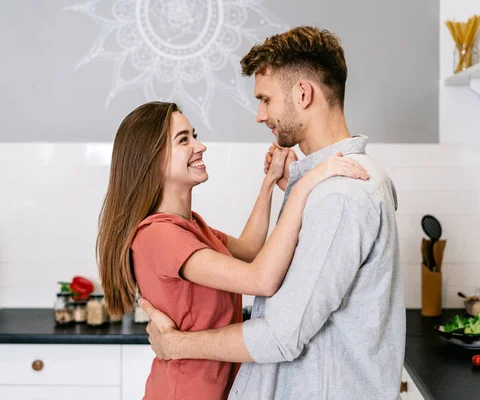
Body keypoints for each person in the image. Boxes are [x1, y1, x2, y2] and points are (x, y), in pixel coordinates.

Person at [139, 26, 406, 400]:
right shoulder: (325, 184)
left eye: (265, 99)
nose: (260, 115)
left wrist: (175, 345)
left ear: (302, 93)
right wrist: (290, 184)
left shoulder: (339, 194)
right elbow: (265, 263)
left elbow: (281, 335)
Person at [96, 100, 368, 399]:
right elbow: (261, 279)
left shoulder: (190, 226)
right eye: (184, 140)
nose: (200, 146)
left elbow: (249, 250)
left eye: (194, 135)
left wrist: (269, 183)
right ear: (152, 159)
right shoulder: (159, 235)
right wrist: (303, 186)